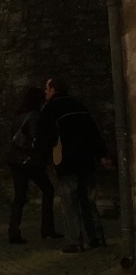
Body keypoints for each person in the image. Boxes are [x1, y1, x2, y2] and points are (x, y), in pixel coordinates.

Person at [39, 75, 112, 253]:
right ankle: (96, 237)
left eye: (47, 88)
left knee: (70, 202)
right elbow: (93, 132)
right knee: (88, 200)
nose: (45, 92)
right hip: (85, 160)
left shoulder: (50, 109)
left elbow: (46, 136)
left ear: (53, 90)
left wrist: (45, 156)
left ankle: (75, 241)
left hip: (67, 162)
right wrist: (102, 155)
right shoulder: (79, 106)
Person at [6, 85, 61, 244]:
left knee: (19, 196)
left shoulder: (19, 115)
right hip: (29, 160)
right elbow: (36, 139)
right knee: (48, 189)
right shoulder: (35, 116)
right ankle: (47, 227)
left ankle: (13, 231)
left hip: (15, 159)